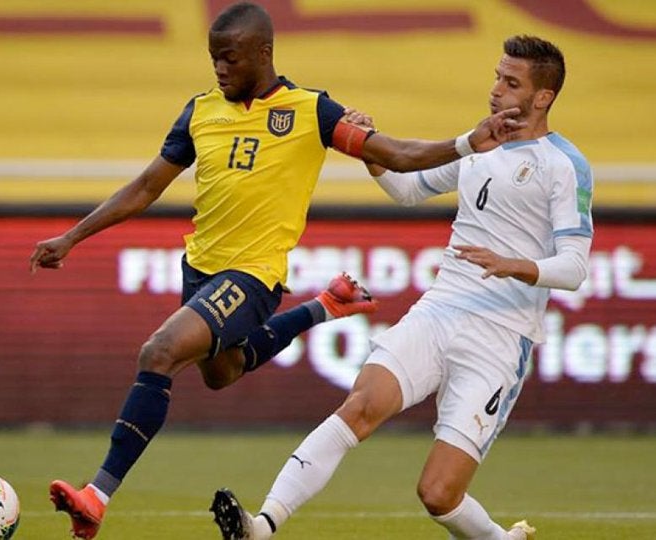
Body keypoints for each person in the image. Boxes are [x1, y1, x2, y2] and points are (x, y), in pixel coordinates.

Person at [29, 3, 525, 538]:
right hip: (199, 269)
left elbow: (397, 154)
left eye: (230, 58)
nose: (219, 69)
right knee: (223, 372)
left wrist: (467, 143)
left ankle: (96, 496)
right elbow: (147, 186)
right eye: (214, 58)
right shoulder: (199, 112)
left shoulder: (311, 111)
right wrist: (73, 235)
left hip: (252, 277)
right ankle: (323, 306)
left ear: (263, 53)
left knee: (159, 352)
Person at [211, 34, 592, 540]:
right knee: (360, 406)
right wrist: (373, 153)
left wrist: (514, 264)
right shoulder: (480, 144)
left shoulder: (564, 164)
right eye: (497, 77)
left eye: (511, 82)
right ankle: (263, 525)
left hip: (501, 335)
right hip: (440, 309)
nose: (497, 89)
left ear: (543, 97)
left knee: (438, 494)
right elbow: (410, 190)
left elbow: (574, 267)